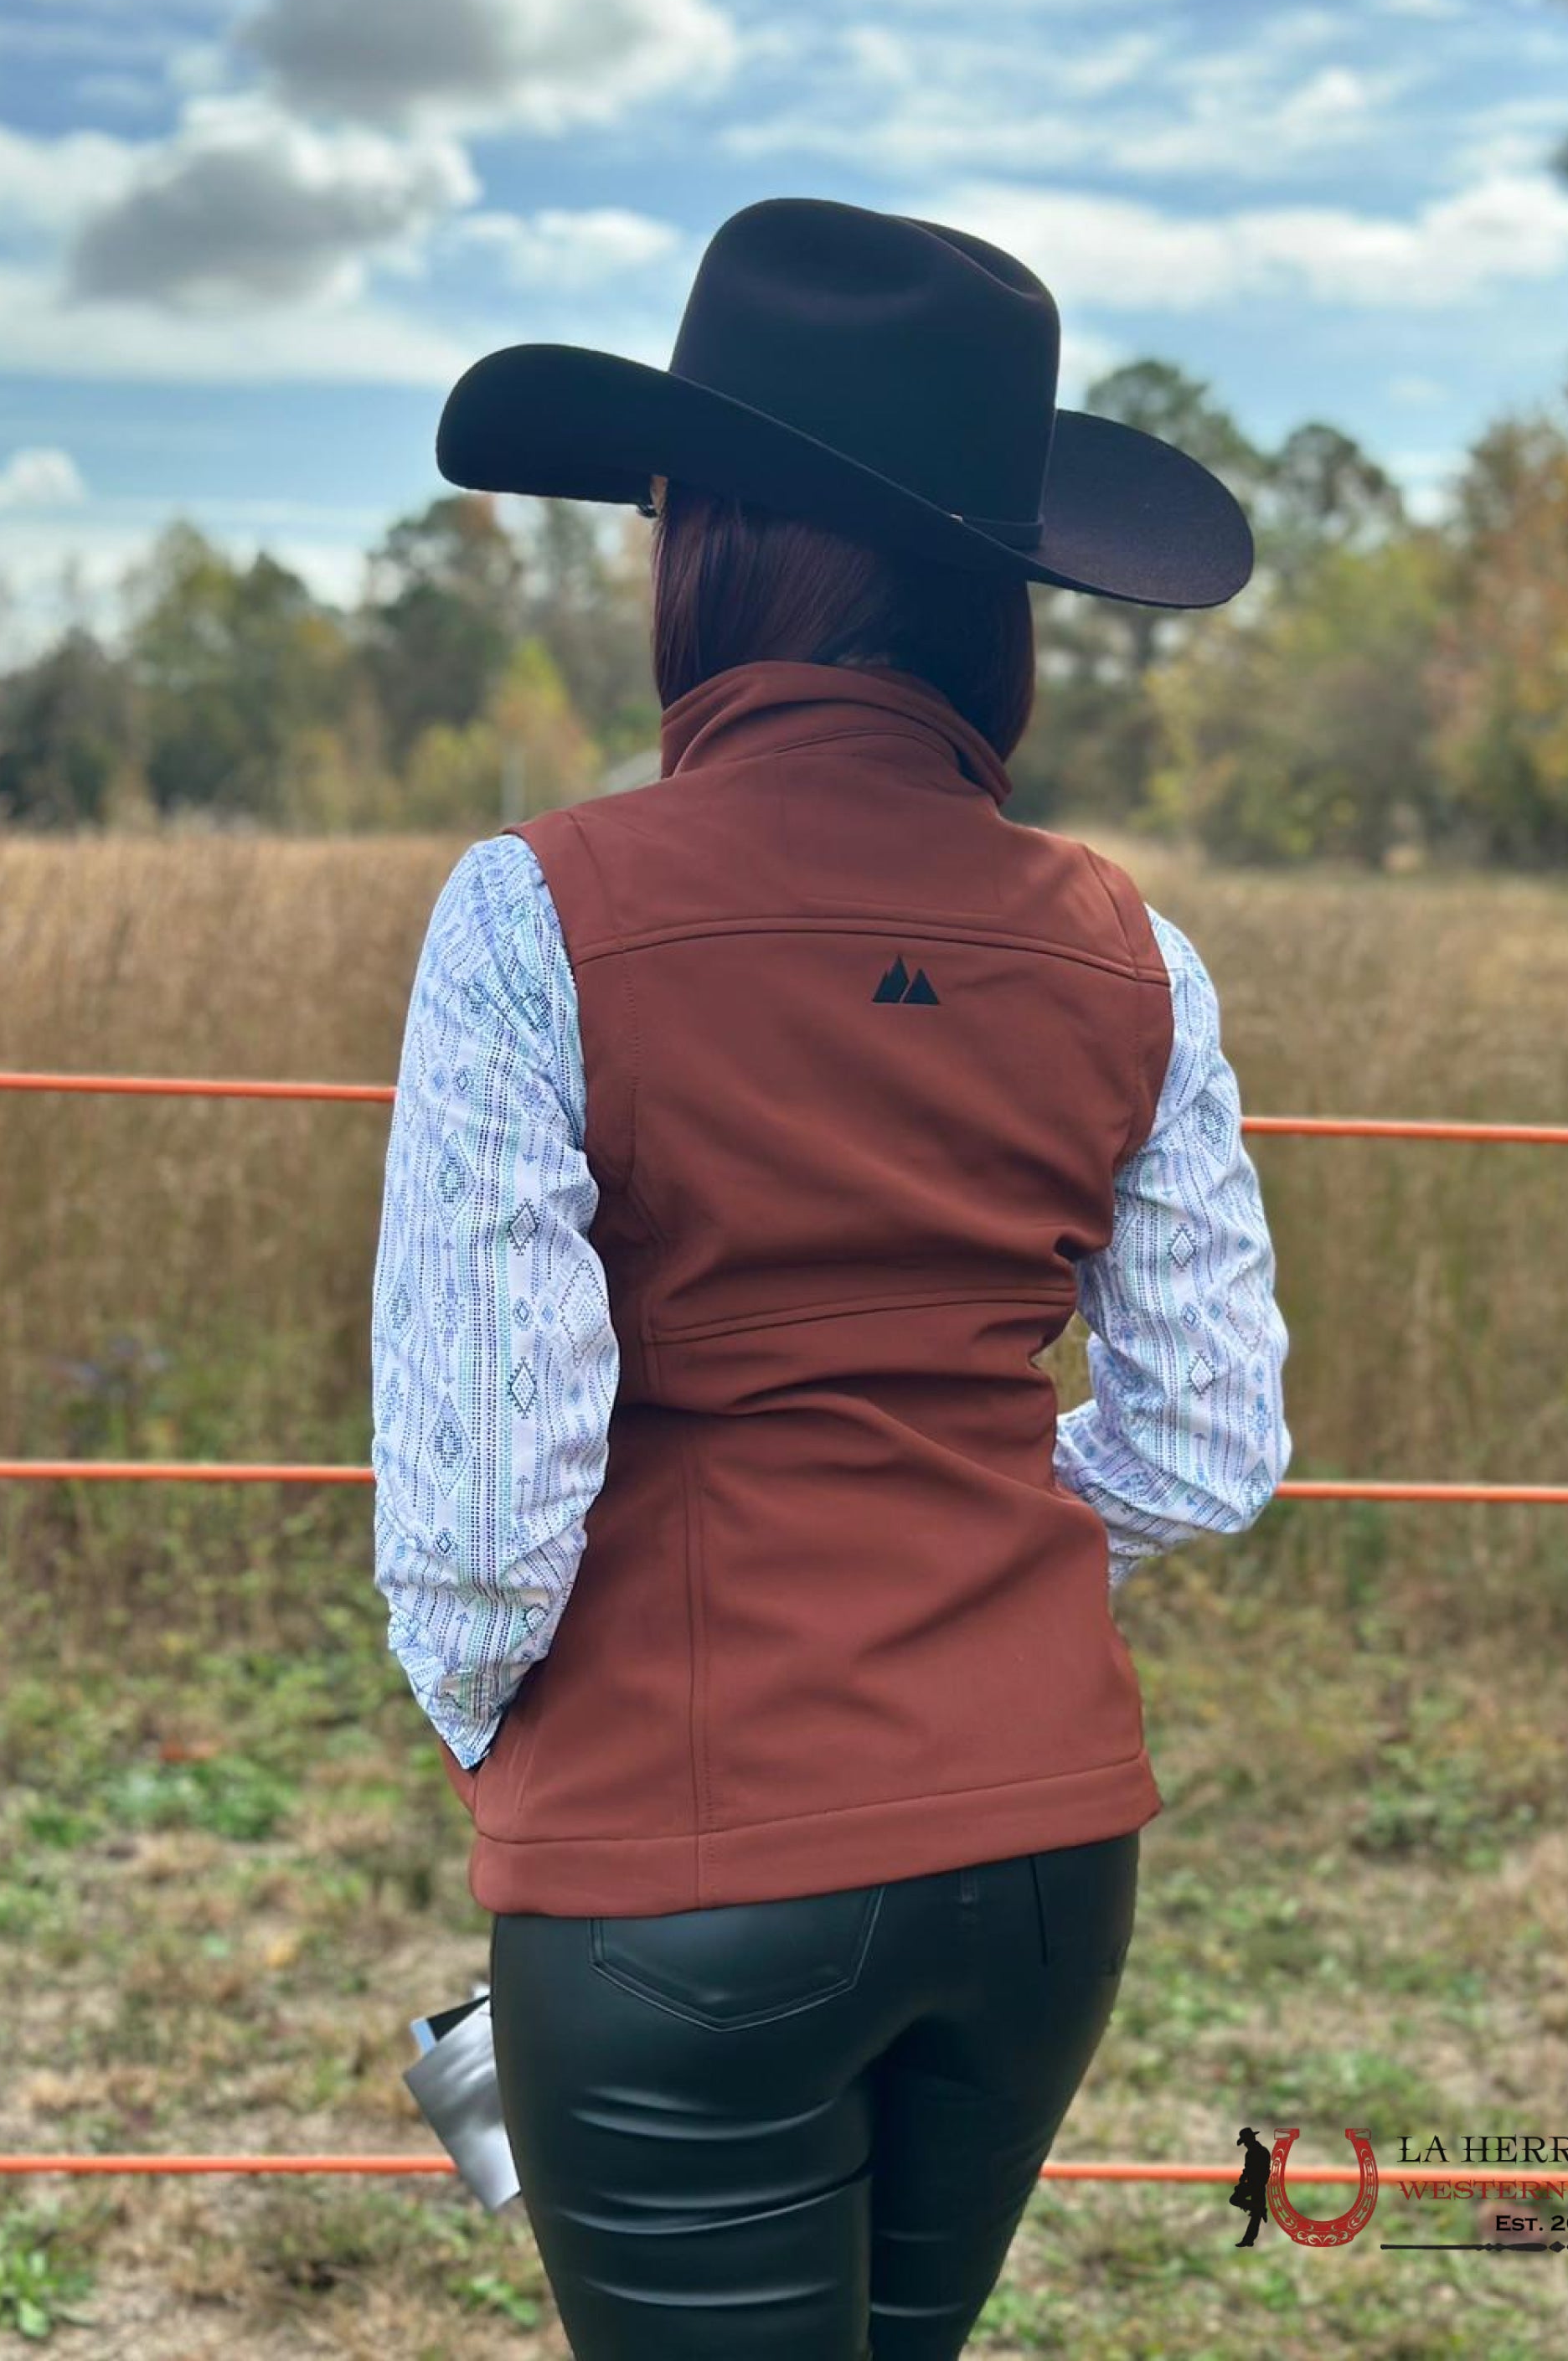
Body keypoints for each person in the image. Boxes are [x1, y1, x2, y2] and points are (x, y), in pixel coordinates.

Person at [372, 196, 1294, 2360]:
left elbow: (485, 1506)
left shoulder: (531, 913)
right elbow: (1206, 1443)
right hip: (1047, 1856)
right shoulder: (1133, 954)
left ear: (703, 545)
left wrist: (520, 1746)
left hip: (675, 1867)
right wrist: (957, 1569)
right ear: (1001, 597)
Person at [1232, 2126, 1274, 2247]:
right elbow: (1249, 2170)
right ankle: (1249, 2238)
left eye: (1246, 2141)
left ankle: (1248, 2239)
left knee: (1236, 2200)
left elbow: (1256, 2171)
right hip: (1256, 2184)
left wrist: (1245, 2182)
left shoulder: (1256, 2153)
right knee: (1256, 2214)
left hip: (1256, 2184)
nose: (1245, 2144)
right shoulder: (1258, 2152)